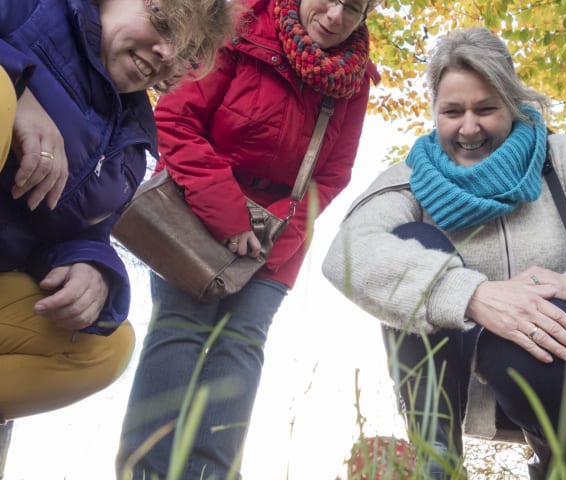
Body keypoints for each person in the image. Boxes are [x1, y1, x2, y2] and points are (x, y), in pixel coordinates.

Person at [322, 27, 566, 479]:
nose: (469, 127)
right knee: (413, 241)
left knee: (545, 327)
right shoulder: (411, 177)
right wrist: (473, 296)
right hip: (464, 377)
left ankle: (557, 461)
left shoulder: (560, 159)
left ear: (512, 105)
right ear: (434, 113)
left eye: (486, 109)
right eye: (452, 112)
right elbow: (347, 251)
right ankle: (437, 457)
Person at [115, 0, 382, 477]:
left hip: (281, 232)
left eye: (355, 8)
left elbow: (333, 175)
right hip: (194, 209)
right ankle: (146, 468)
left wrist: (277, 239)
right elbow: (176, 121)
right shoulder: (239, 29)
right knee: (180, 329)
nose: (337, 15)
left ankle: (211, 472)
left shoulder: (353, 79)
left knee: (242, 342)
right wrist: (229, 217)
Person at [0, 0, 232, 477]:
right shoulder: (29, 9)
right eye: (163, 23)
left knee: (104, 344)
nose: (166, 52)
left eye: (187, 48)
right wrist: (16, 86)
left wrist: (93, 270)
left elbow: (85, 232)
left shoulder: (132, 145)